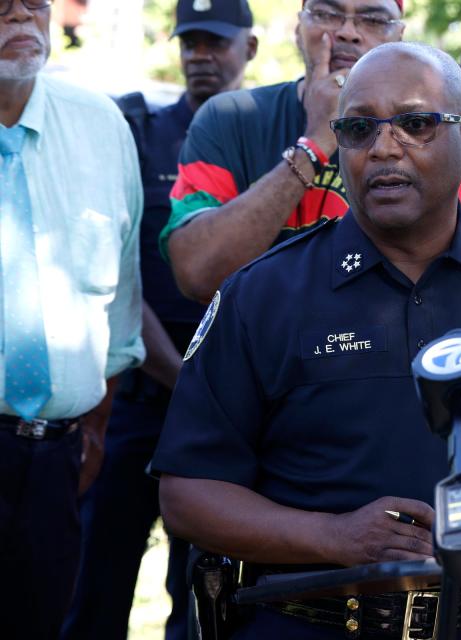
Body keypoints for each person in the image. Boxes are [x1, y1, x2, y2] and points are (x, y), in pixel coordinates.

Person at [151, 42, 461, 639]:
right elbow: (189, 493)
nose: (383, 147)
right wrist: (332, 536)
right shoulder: (263, 295)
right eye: (357, 128)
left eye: (417, 123)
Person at [60, 2, 257, 638]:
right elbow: (115, 270)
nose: (200, 54)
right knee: (95, 582)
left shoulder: (272, 142)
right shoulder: (136, 128)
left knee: (204, 593)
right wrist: (177, 375)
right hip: (139, 394)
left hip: (228, 405)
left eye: (215, 42)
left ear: (248, 49)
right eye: (189, 41)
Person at [162, 0, 461, 304]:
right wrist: (314, 144)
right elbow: (197, 275)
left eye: (372, 19)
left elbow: (450, 276)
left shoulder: (439, 131)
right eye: (326, 13)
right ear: (298, 28)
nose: (347, 31)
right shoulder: (228, 118)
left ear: (399, 36)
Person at [0, 1, 145, 638]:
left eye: (33, 0)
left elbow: (119, 307)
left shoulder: (100, 125)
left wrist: (94, 429)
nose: (18, 16)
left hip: (54, 460)